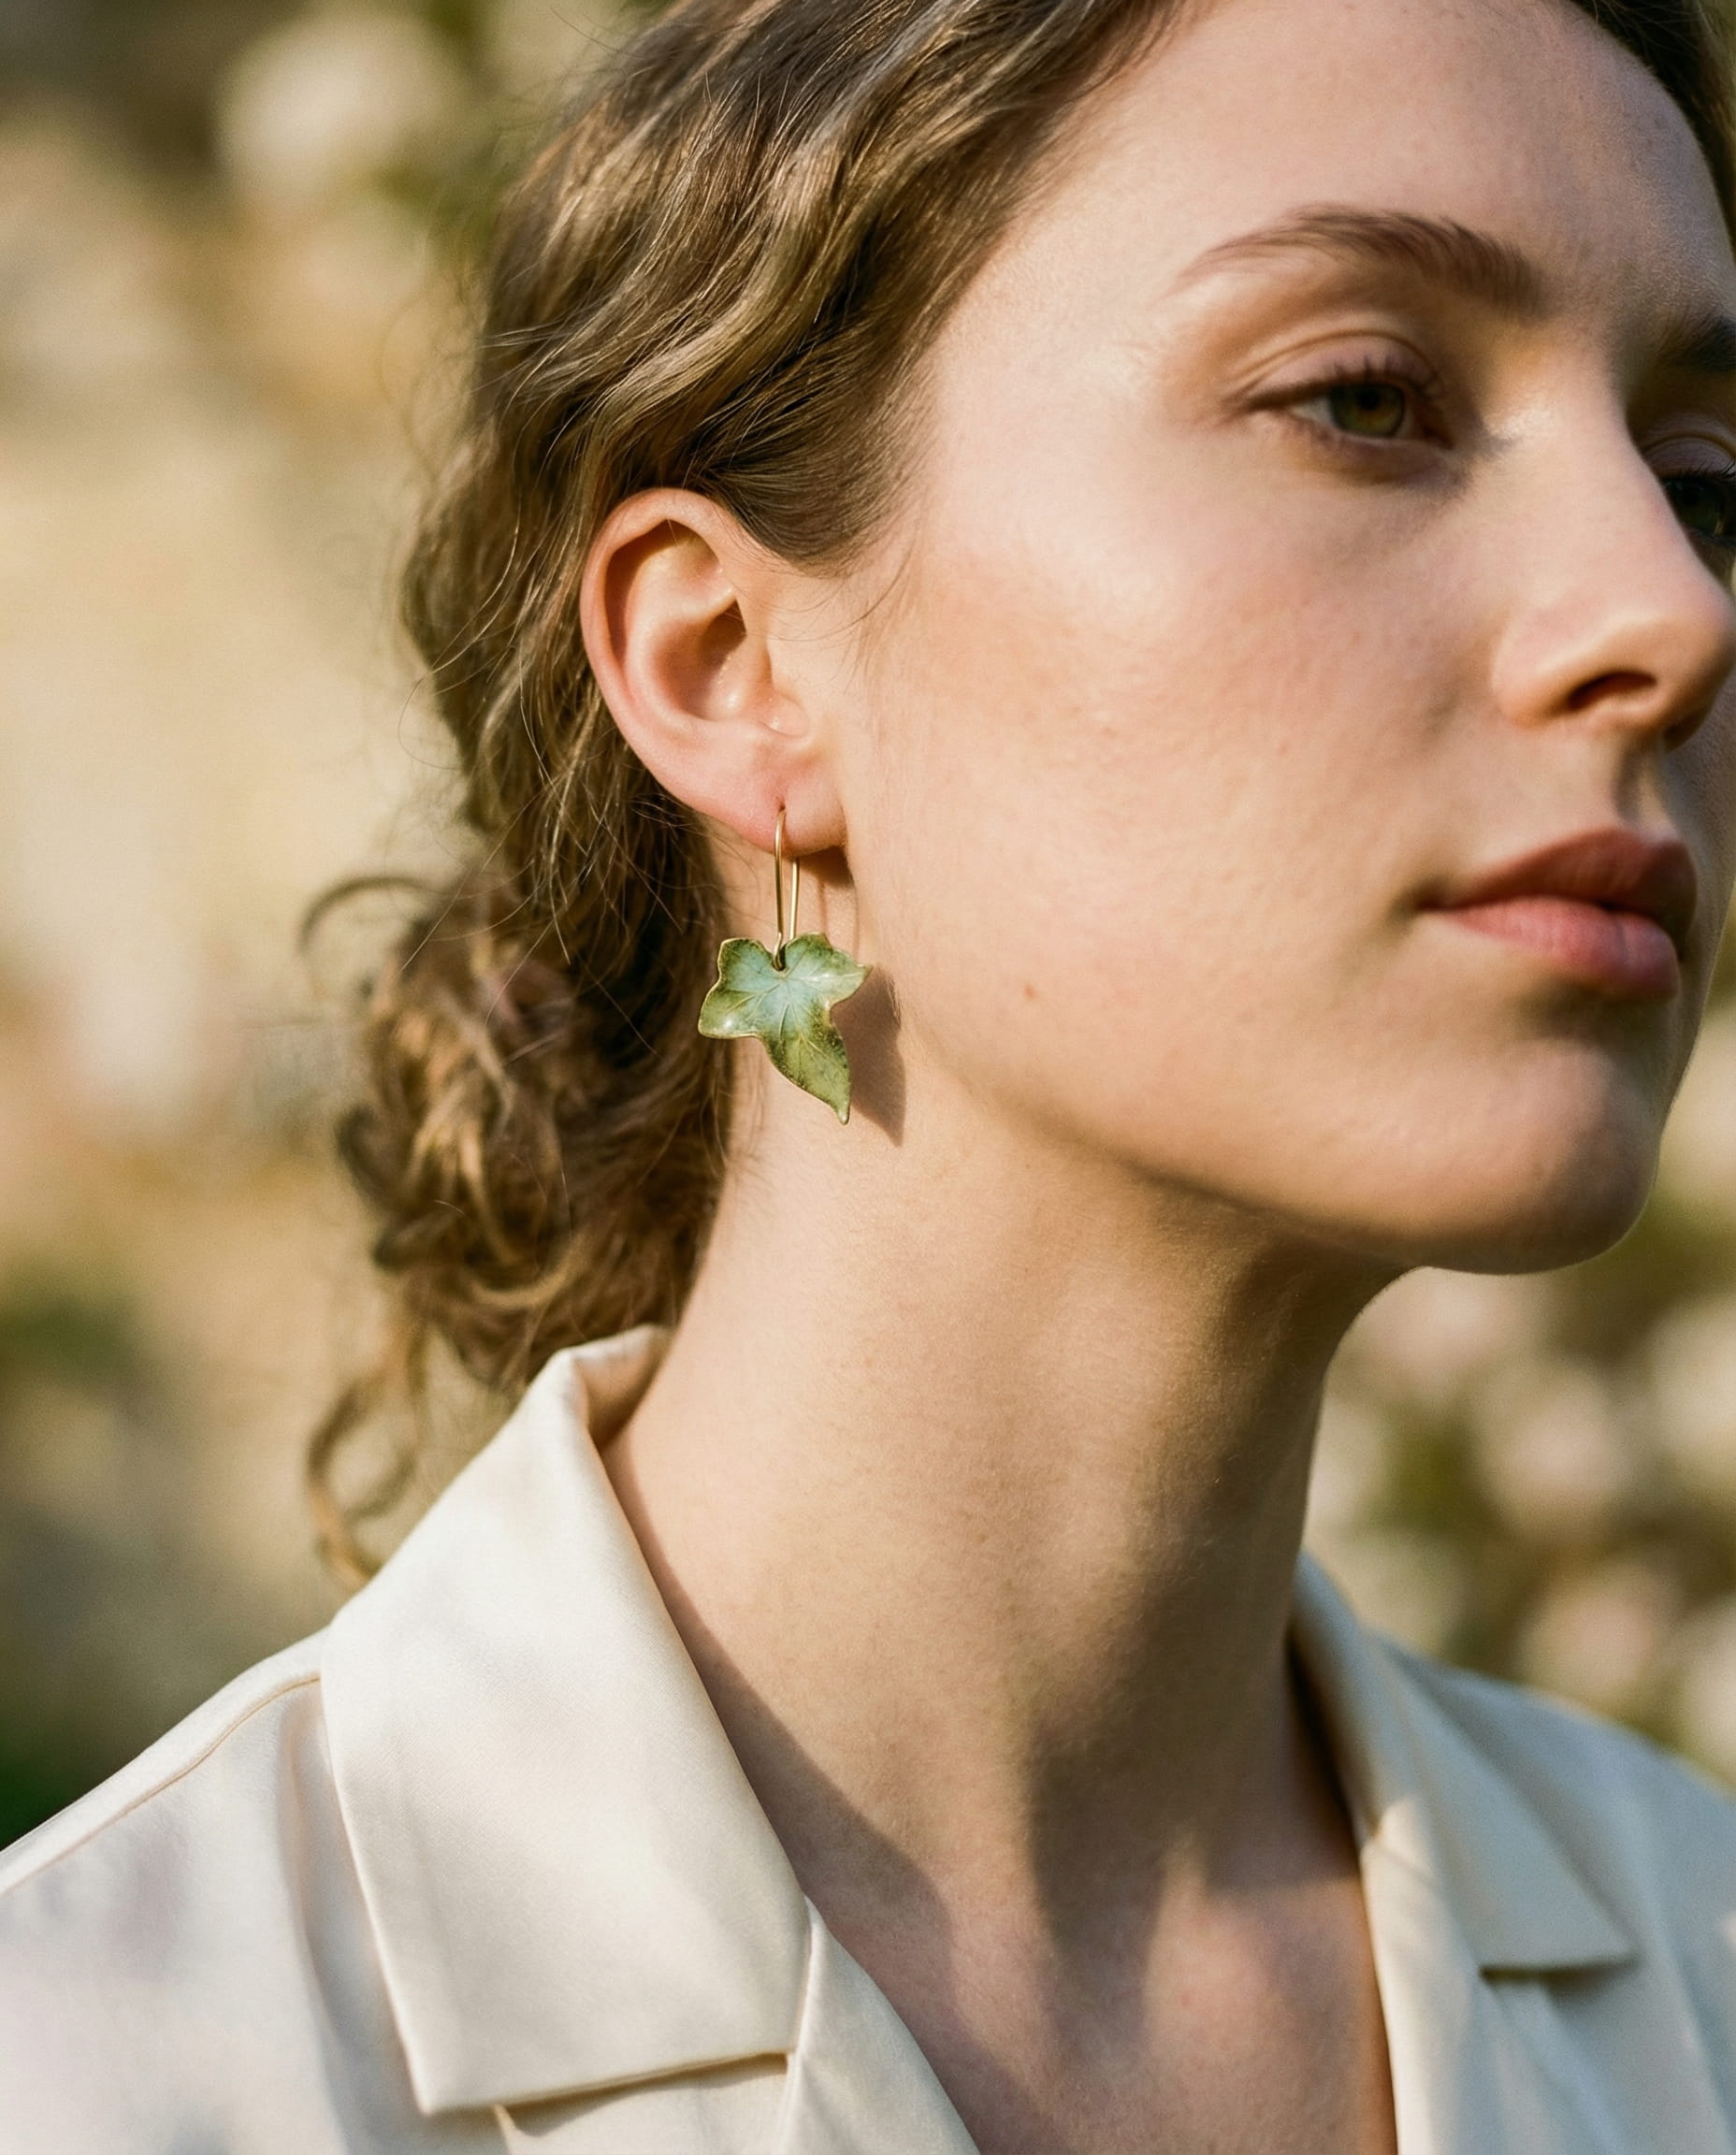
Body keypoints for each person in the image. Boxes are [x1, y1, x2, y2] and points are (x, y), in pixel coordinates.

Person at [7, 0, 1736, 2146]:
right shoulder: (113, 2063)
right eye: (1363, 399)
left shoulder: (1707, 1970)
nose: (1666, 611)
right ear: (731, 667)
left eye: (1703, 486)